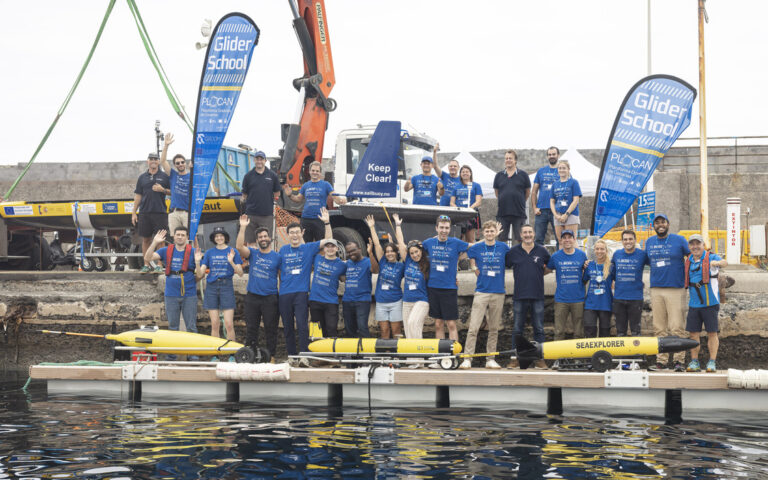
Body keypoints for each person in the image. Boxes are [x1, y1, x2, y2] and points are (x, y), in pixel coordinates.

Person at [278, 207, 333, 357]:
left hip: (301, 293)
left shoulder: (308, 248)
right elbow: (279, 271)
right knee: (288, 327)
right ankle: (292, 355)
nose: (294, 235)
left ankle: (304, 355)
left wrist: (327, 223)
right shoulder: (282, 250)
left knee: (302, 325)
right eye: (292, 233)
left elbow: (329, 241)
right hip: (284, 294)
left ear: (302, 233)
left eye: (297, 232)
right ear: (287, 235)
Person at [144, 227, 204, 360]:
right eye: (178, 235)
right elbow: (147, 258)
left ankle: (193, 355)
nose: (180, 237)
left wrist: (197, 262)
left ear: (187, 237)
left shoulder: (193, 252)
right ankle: (171, 356)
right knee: (172, 327)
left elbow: (200, 275)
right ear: (174, 236)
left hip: (189, 294)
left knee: (191, 326)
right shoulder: (166, 250)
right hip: (171, 294)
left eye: (183, 235)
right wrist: (154, 242)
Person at [462, 220, 510, 369]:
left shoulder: (503, 247)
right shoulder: (477, 247)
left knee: (494, 328)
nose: (489, 233)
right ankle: (467, 358)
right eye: (487, 231)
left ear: (496, 232)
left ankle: (490, 359)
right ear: (483, 233)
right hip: (482, 291)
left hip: (498, 292)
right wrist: (473, 267)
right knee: (473, 328)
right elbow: (467, 255)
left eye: (492, 231)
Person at [646, 213, 690, 371]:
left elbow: (692, 257)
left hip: (676, 289)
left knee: (677, 326)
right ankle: (661, 361)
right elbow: (646, 261)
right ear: (654, 226)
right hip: (656, 289)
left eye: (663, 222)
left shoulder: (679, 240)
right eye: (657, 223)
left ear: (668, 224)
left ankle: (679, 361)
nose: (660, 225)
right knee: (659, 328)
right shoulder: (649, 242)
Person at [236, 217, 281, 362]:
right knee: (251, 328)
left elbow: (281, 277)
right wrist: (243, 227)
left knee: (270, 328)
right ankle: (250, 355)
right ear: (257, 240)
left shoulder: (277, 257)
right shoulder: (253, 253)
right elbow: (239, 247)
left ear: (269, 238)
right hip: (252, 297)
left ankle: (271, 356)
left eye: (265, 236)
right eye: (260, 237)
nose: (263, 238)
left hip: (270, 298)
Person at [505, 224, 550, 369]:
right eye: (525, 232)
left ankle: (540, 359)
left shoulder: (542, 251)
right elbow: (504, 265)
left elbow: (550, 267)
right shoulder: (513, 252)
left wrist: (539, 273)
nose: (528, 235)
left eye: (530, 232)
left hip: (537, 295)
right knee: (517, 330)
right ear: (521, 235)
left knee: (539, 329)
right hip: (519, 295)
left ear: (534, 234)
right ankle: (515, 358)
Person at [684, 233, 727, 373]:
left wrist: (717, 263)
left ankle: (712, 362)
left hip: (710, 304)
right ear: (689, 246)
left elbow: (725, 262)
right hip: (694, 305)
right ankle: (694, 361)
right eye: (692, 244)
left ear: (703, 245)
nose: (695, 246)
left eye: (698, 243)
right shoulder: (688, 260)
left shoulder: (711, 257)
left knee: (712, 333)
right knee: (693, 334)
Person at [423, 215, 469, 342]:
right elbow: (413, 249)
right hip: (433, 288)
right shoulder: (429, 242)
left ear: (450, 229)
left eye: (447, 228)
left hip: (449, 288)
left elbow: (473, 246)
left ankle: (453, 351)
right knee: (438, 324)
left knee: (451, 324)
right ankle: (441, 352)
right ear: (436, 228)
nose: (444, 230)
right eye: (441, 227)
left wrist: (491, 237)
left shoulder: (456, 242)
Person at [200, 227, 244, 358]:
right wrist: (197, 261)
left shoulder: (233, 251)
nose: (219, 238)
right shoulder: (209, 252)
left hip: (226, 286)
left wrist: (231, 262)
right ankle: (216, 355)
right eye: (216, 236)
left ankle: (232, 354)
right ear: (214, 238)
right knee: (215, 324)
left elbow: (241, 273)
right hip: (212, 287)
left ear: (225, 237)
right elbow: (201, 272)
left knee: (229, 324)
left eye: (221, 235)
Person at [283, 161, 346, 243]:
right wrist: (290, 195)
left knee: (322, 244)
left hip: (320, 219)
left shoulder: (326, 185)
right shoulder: (305, 185)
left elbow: (335, 197)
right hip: (306, 219)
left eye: (317, 171)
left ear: (320, 172)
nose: (315, 172)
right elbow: (298, 199)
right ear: (309, 171)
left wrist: (341, 200)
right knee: (305, 244)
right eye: (313, 170)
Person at [366, 214, 406, 339]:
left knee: (396, 331)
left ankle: (397, 351)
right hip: (381, 302)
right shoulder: (383, 261)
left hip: (396, 302)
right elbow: (377, 244)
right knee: (384, 331)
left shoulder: (401, 266)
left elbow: (403, 246)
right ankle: (386, 350)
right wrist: (372, 227)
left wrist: (398, 226)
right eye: (387, 251)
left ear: (396, 252)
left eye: (392, 251)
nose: (389, 253)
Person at [133, 152, 171, 273]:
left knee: (160, 240)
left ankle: (159, 265)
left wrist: (162, 190)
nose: (153, 161)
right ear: (147, 161)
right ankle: (146, 264)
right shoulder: (142, 177)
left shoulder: (164, 176)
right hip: (144, 213)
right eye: (151, 159)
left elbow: (173, 191)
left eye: (156, 159)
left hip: (160, 212)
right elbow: (138, 195)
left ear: (158, 161)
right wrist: (134, 212)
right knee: (146, 240)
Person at [547, 230, 587, 341]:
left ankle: (578, 353)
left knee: (579, 332)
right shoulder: (555, 256)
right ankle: (558, 352)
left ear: (574, 239)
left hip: (578, 299)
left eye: (570, 237)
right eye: (564, 238)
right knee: (559, 331)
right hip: (561, 299)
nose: (567, 240)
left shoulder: (582, 255)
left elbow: (587, 272)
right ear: (561, 240)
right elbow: (546, 270)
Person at [611, 230, 649, 337]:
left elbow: (655, 265)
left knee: (636, 332)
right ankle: (622, 348)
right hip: (619, 298)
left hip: (636, 298)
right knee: (620, 332)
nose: (628, 241)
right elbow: (611, 272)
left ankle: (636, 348)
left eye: (630, 239)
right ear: (622, 241)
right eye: (625, 239)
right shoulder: (617, 254)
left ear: (635, 240)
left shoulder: (642, 254)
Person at [308, 238, 347, 338]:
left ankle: (331, 348)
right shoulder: (317, 258)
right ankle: (316, 347)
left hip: (331, 302)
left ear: (337, 249)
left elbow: (345, 278)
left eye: (332, 246)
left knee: (331, 328)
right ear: (324, 249)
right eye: (327, 246)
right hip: (315, 300)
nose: (330, 249)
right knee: (316, 330)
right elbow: (307, 250)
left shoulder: (342, 265)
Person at [241, 150, 281, 242]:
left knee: (266, 242)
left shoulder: (272, 175)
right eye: (257, 159)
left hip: (266, 215)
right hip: (251, 215)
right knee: (250, 242)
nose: (259, 161)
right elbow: (244, 194)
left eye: (261, 159)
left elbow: (277, 193)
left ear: (265, 161)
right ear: (254, 160)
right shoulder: (248, 176)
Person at [493, 149, 530, 245]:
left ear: (515, 160)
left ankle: (521, 255)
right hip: (502, 213)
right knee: (501, 240)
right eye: (506, 158)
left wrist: (519, 200)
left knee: (521, 239)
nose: (508, 160)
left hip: (519, 212)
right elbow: (497, 193)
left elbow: (527, 192)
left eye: (510, 158)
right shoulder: (498, 175)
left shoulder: (523, 175)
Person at [342, 239, 377, 338]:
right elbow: (341, 276)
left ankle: (366, 348)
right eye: (348, 252)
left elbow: (375, 270)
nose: (351, 253)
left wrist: (370, 253)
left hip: (362, 300)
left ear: (360, 249)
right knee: (349, 329)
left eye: (353, 250)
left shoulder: (367, 261)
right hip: (347, 300)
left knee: (362, 327)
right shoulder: (347, 263)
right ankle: (352, 348)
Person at [159, 133, 191, 236]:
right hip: (174, 213)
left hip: (187, 212)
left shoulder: (192, 176)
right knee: (175, 238)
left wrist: (194, 168)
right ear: (175, 165)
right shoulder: (173, 175)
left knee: (189, 237)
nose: (180, 164)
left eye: (182, 162)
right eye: (177, 163)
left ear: (185, 163)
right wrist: (166, 145)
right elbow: (163, 161)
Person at [582, 239, 613, 338]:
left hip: (605, 304)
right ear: (594, 250)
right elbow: (583, 281)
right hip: (590, 304)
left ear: (606, 250)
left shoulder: (611, 266)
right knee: (589, 332)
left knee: (605, 334)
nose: (599, 251)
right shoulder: (589, 265)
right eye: (597, 249)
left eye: (602, 249)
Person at [530, 146, 561, 247]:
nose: (551, 156)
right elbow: (534, 191)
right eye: (549, 154)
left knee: (559, 239)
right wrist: (534, 208)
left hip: (557, 211)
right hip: (541, 211)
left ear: (558, 155)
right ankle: (538, 257)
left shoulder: (563, 170)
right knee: (538, 239)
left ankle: (558, 257)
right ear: (547, 156)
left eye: (554, 154)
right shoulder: (541, 171)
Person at [402, 239, 430, 339]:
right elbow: (400, 241)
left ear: (421, 250)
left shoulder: (428, 262)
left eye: (416, 252)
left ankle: (418, 349)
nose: (415, 255)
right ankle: (414, 349)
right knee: (408, 331)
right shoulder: (408, 261)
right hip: (407, 301)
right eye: (412, 253)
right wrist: (397, 227)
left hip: (421, 300)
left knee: (412, 322)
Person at [550, 160, 581, 243]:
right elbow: (552, 201)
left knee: (571, 241)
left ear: (568, 169)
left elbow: (576, 200)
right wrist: (555, 215)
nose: (561, 170)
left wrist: (566, 214)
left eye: (564, 168)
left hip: (571, 214)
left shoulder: (574, 182)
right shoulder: (554, 184)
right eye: (560, 168)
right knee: (561, 241)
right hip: (558, 216)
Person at [450, 165, 483, 244]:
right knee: (458, 239)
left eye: (467, 172)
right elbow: (451, 202)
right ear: (460, 174)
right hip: (459, 215)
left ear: (470, 173)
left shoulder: (476, 185)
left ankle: (471, 252)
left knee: (470, 239)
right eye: (463, 172)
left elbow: (478, 201)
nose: (465, 173)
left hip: (470, 215)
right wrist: (458, 209)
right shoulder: (456, 187)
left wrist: (469, 209)